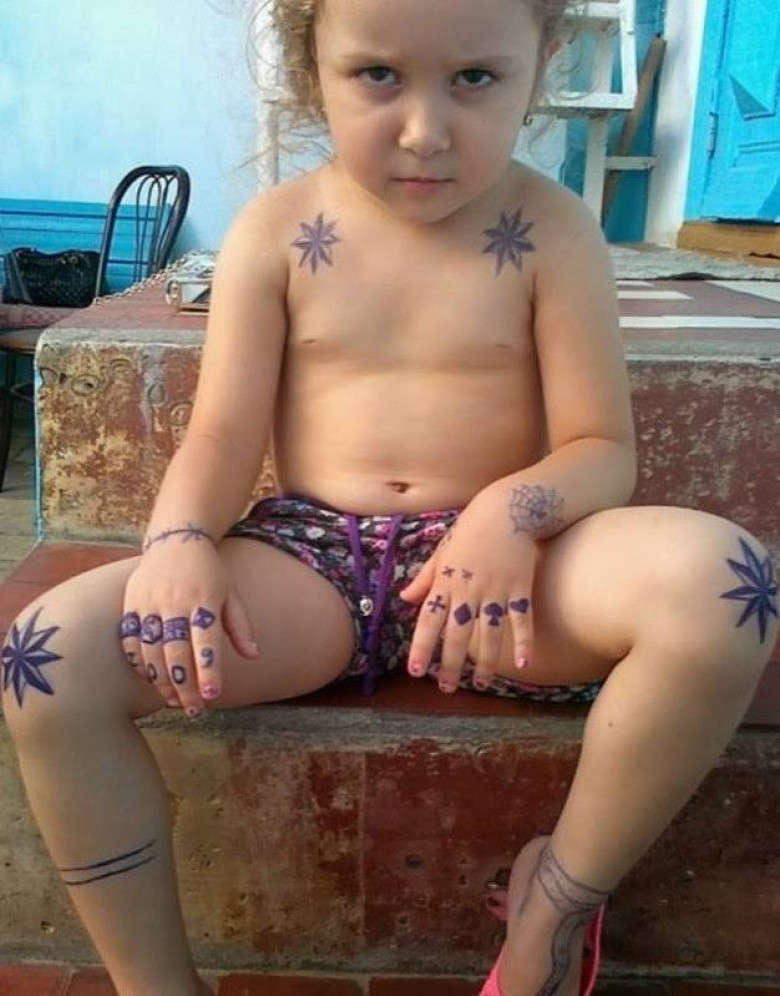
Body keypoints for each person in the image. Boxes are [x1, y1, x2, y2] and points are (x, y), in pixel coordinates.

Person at [2, 0, 778, 993]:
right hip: (313, 564)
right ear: (311, 69)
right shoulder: (276, 232)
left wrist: (508, 514)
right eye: (378, 75)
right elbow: (223, 435)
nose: (425, 131)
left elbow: (601, 449)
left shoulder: (552, 231)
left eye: (474, 78)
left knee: (729, 588)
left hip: (502, 577)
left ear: (540, 65)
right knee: (46, 660)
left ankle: (553, 908)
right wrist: (180, 538)